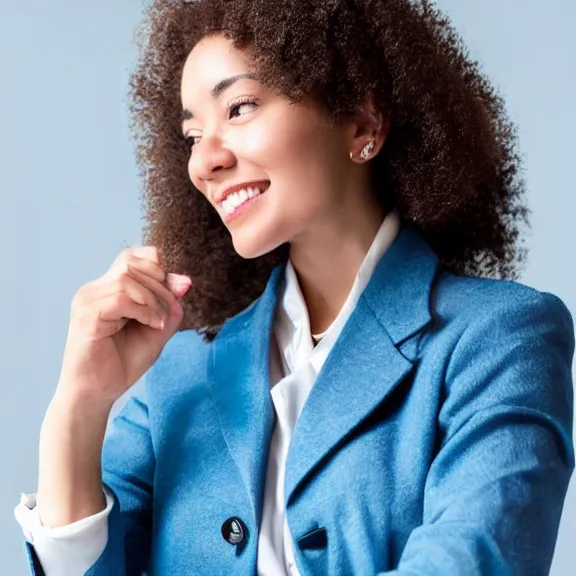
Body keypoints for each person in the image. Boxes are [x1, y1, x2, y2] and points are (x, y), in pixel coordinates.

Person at [14, 0, 574, 574]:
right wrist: (77, 412)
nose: (204, 160)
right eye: (191, 135)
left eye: (240, 107)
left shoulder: (502, 338)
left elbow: (472, 559)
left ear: (361, 121)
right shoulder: (179, 374)